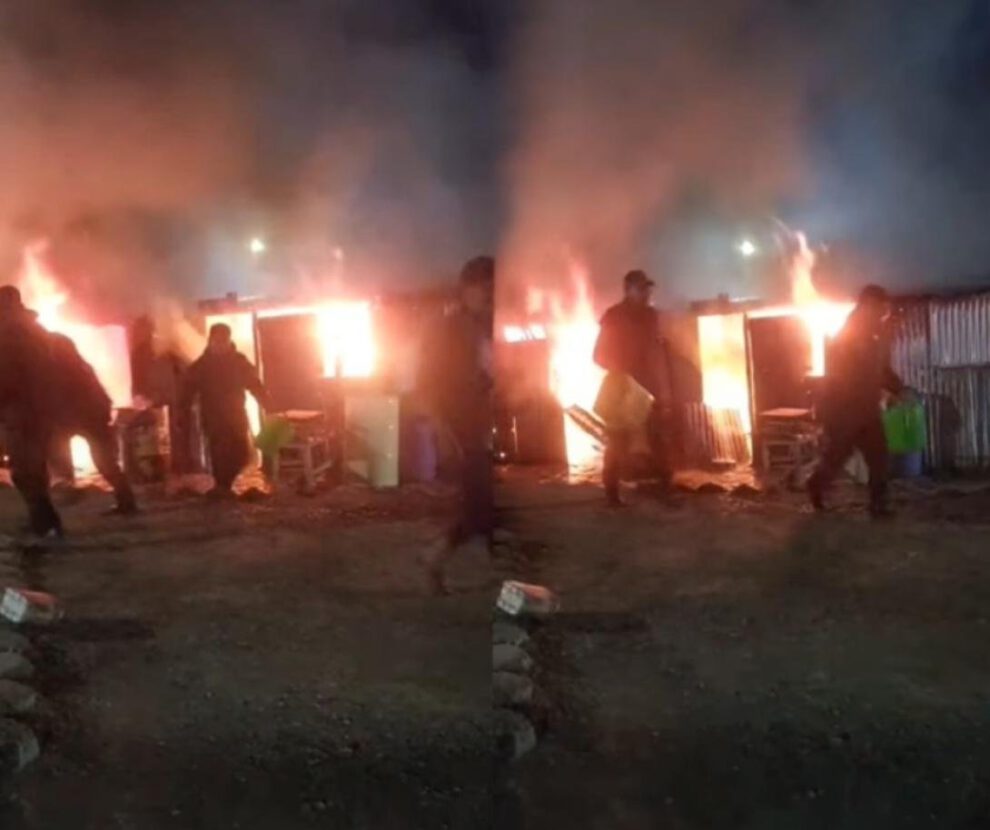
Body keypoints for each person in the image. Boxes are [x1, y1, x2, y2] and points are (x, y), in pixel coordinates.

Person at [416, 256, 495, 596]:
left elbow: (484, 377)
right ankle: (435, 556)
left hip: (477, 424)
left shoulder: (484, 327)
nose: (489, 294)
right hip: (459, 427)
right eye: (483, 287)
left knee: (483, 509)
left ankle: (436, 556)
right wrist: (439, 426)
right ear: (466, 289)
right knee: (481, 508)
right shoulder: (447, 330)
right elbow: (426, 382)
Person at [807, 284, 903, 518]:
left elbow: (880, 369)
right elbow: (858, 371)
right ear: (868, 304)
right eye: (880, 306)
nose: (884, 311)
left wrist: (898, 387)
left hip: (866, 410)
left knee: (879, 456)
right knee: (837, 456)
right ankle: (816, 486)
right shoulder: (851, 334)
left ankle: (878, 505)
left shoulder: (872, 333)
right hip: (846, 411)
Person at [592, 269, 673, 506]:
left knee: (658, 435)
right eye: (642, 289)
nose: (647, 293)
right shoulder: (614, 316)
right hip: (621, 385)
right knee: (618, 440)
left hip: (648, 385)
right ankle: (612, 494)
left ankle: (665, 488)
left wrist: (663, 386)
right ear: (628, 290)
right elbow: (597, 355)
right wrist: (621, 370)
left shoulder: (651, 316)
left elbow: (657, 351)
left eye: (648, 289)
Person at [0, 286, 64, 540]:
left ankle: (45, 521)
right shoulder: (33, 331)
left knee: (24, 470)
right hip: (38, 408)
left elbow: (7, 376)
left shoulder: (12, 334)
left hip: (22, 409)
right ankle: (44, 520)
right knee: (32, 468)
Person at [179, 323, 269, 496]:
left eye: (223, 341)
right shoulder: (202, 365)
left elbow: (254, 384)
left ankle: (225, 483)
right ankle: (222, 485)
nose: (220, 345)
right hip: (213, 417)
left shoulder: (238, 361)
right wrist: (183, 412)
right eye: (217, 341)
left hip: (235, 414)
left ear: (228, 340)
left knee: (240, 450)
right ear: (211, 341)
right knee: (219, 452)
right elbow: (187, 390)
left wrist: (268, 404)